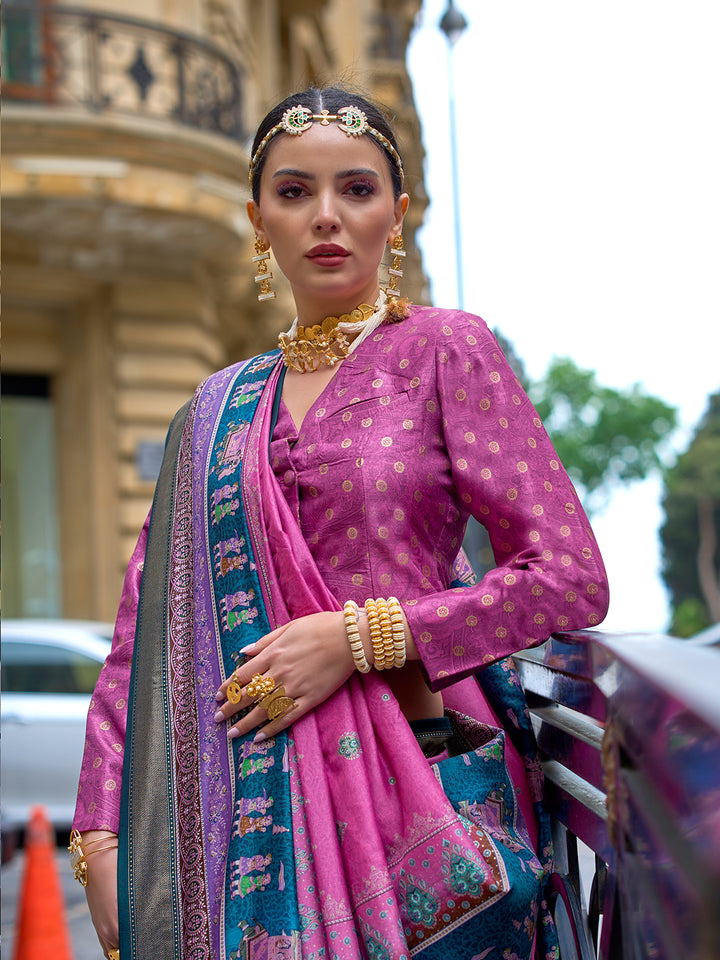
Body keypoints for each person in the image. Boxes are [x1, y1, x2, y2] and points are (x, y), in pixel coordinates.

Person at [71, 85, 609, 960]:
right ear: (258, 220)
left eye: (356, 190)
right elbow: (143, 637)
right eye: (294, 192)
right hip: (240, 811)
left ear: (397, 215)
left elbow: (568, 577)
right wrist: (100, 826)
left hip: (422, 784)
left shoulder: (445, 351)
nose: (326, 216)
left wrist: (363, 637)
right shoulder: (215, 411)